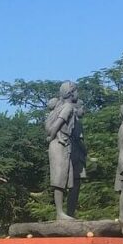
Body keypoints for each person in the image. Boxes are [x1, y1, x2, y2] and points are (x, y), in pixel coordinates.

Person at [45, 81, 86, 220]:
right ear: (71, 92)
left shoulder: (61, 106)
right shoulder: (67, 107)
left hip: (61, 143)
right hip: (60, 143)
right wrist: (53, 136)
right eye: (76, 91)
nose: (78, 94)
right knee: (59, 178)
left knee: (63, 178)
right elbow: (54, 126)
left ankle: (61, 213)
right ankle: (60, 213)